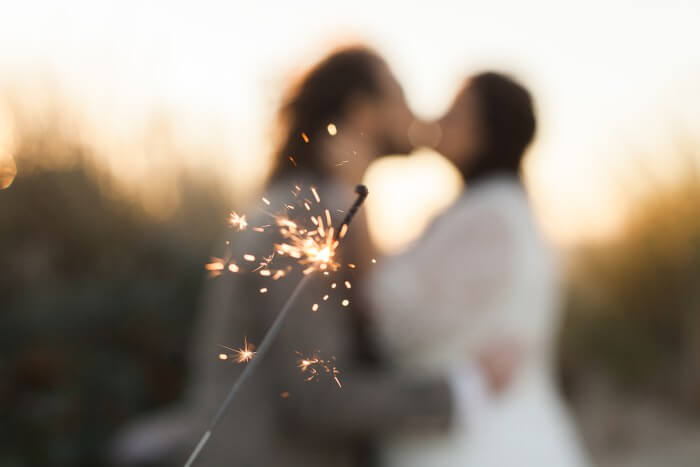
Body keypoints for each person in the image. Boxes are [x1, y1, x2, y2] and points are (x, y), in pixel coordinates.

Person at [111, 49, 516, 467]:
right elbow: (318, 396)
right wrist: (463, 389)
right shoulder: (304, 217)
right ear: (363, 111)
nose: (415, 113)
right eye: (398, 94)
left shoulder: (322, 205)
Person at [367, 72, 591, 466]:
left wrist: (363, 261)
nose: (440, 118)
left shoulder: (490, 219)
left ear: (489, 131)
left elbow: (407, 327)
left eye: (457, 111)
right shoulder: (502, 210)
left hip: (473, 445)